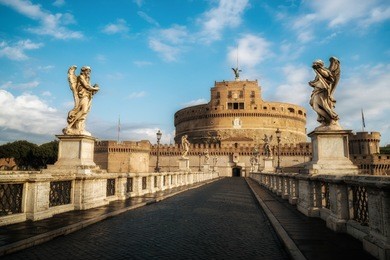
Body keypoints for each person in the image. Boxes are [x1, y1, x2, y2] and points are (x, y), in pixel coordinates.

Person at [63, 66, 100, 135]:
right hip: (82, 96)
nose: (89, 73)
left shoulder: (87, 79)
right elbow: (86, 86)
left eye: (89, 71)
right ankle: (70, 125)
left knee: (85, 112)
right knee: (84, 110)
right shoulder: (80, 77)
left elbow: (89, 88)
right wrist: (95, 89)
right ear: (84, 71)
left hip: (87, 96)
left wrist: (94, 89)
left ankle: (79, 127)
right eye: (88, 71)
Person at [308, 58, 340, 128]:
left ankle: (332, 119)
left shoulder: (325, 70)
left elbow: (326, 75)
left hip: (323, 90)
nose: (314, 65)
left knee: (324, 105)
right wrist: (312, 83)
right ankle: (326, 121)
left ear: (320, 65)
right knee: (315, 107)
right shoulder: (317, 74)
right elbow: (317, 81)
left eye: (316, 64)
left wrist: (318, 69)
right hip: (317, 90)